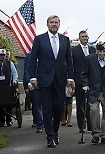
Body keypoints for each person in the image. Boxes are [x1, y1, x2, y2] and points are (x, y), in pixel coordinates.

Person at [30, 15, 74, 148]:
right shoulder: (39, 39)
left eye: (56, 22)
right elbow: (33, 59)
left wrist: (70, 77)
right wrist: (33, 77)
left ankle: (55, 132)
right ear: (47, 24)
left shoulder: (65, 40)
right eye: (51, 22)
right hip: (44, 79)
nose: (54, 24)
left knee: (59, 108)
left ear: (59, 24)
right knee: (47, 109)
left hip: (60, 79)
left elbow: (69, 60)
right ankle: (49, 137)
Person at [81, 41, 105, 144]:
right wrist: (85, 84)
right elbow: (84, 74)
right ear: (96, 51)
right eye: (100, 51)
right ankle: (96, 134)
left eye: (104, 51)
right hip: (94, 91)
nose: (102, 53)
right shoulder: (89, 59)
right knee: (94, 112)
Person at [72, 30, 96, 133]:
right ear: (79, 38)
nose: (85, 38)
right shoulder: (74, 50)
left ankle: (91, 125)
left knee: (91, 104)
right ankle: (81, 125)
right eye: (83, 37)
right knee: (80, 104)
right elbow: (71, 65)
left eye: (86, 36)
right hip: (79, 81)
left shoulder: (93, 49)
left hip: (92, 81)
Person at [23, 52, 43, 133]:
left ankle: (43, 122)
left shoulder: (46, 54)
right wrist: (28, 83)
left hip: (46, 84)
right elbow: (27, 70)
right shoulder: (30, 55)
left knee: (45, 106)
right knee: (37, 106)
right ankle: (40, 124)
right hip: (35, 86)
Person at [0, 49, 18, 127]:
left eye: (3, 55)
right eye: (1, 55)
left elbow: (15, 74)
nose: (2, 57)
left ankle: (8, 120)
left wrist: (14, 81)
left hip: (8, 87)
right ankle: (1, 121)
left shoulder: (10, 63)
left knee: (9, 105)